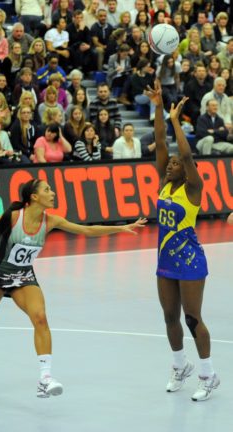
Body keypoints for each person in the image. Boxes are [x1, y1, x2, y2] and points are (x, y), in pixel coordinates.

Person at [0, 178, 147, 403]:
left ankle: (45, 378)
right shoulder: (12, 218)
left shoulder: (50, 221)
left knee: (40, 318)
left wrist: (121, 228)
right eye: (47, 190)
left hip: (23, 277)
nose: (53, 193)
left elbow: (86, 231)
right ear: (34, 197)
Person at [145, 80, 220, 402]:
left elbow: (186, 155)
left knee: (192, 318)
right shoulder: (165, 184)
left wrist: (177, 120)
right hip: (165, 259)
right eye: (169, 164)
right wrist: (159, 107)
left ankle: (208, 374)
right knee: (169, 317)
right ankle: (180, 365)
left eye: (175, 164)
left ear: (186, 170)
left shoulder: (193, 189)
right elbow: (160, 141)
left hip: (190, 259)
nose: (170, 165)